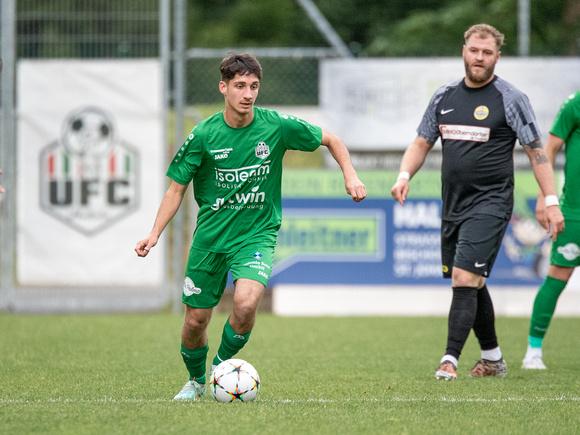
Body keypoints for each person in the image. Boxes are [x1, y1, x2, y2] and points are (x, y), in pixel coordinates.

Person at [135, 53, 367, 399]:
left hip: (256, 235)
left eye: (254, 86)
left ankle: (219, 368)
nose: (248, 94)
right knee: (195, 321)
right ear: (223, 88)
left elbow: (332, 139)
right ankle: (196, 380)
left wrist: (350, 175)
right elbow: (176, 189)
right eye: (240, 86)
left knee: (244, 305)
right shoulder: (203, 135)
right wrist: (154, 233)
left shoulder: (275, 125)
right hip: (211, 238)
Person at [390, 24, 565, 381]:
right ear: (464, 50)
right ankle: (493, 359)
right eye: (474, 50)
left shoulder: (510, 98)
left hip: (493, 202)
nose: (479, 58)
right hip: (454, 205)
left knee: (464, 275)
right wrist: (404, 175)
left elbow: (537, 153)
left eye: (487, 53)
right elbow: (422, 142)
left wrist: (551, 200)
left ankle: (449, 360)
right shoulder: (444, 97)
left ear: (497, 56)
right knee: (473, 282)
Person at [522, 91, 580, 370]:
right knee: (558, 277)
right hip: (574, 212)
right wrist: (545, 197)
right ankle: (533, 350)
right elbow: (550, 150)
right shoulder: (575, 103)